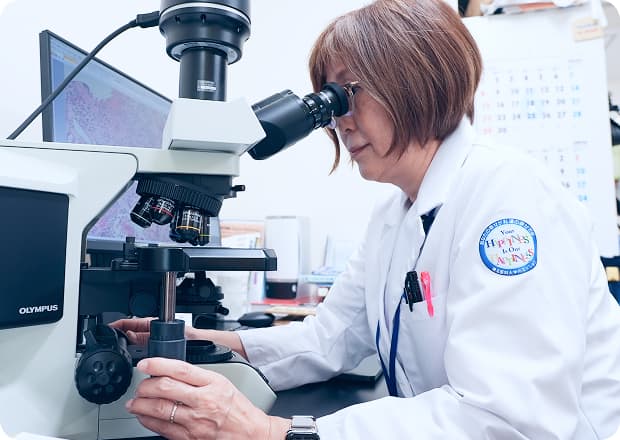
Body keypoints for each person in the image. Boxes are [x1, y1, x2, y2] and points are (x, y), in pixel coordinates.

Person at [114, 0, 620, 438]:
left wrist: (273, 432)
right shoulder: (393, 214)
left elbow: (507, 420)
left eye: (347, 93)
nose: (339, 119)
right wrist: (210, 344)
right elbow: (328, 338)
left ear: (417, 82)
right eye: (330, 101)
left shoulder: (508, 197)